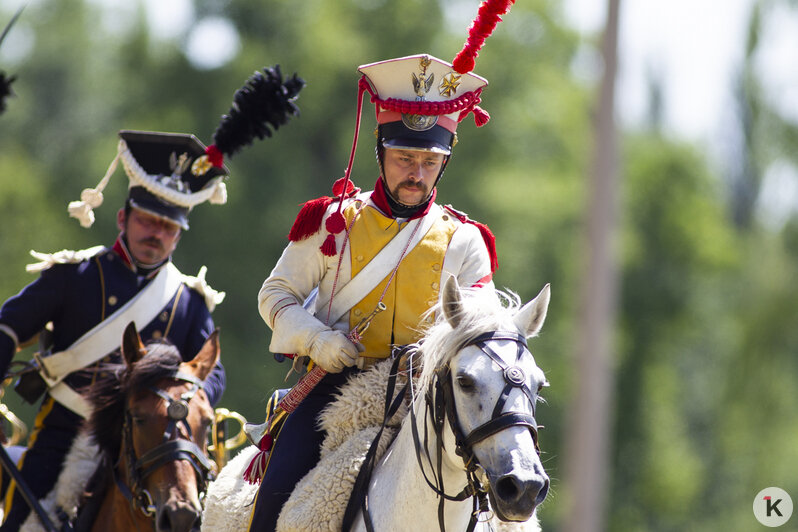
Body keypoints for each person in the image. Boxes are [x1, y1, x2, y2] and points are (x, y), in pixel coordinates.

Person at [248, 50, 503, 530]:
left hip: (427, 395)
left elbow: (480, 333)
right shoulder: (332, 222)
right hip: (333, 388)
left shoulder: (466, 240)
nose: (417, 173)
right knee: (273, 503)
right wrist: (318, 341)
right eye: (405, 158)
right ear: (381, 152)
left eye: (430, 161)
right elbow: (275, 295)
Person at [0, 130, 230, 530]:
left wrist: (184, 402)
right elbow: (8, 326)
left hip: (153, 440)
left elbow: (213, 373)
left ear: (178, 234)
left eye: (168, 227)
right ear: (123, 217)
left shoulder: (189, 301)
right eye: (146, 220)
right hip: (66, 433)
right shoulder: (75, 275)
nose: (155, 234)